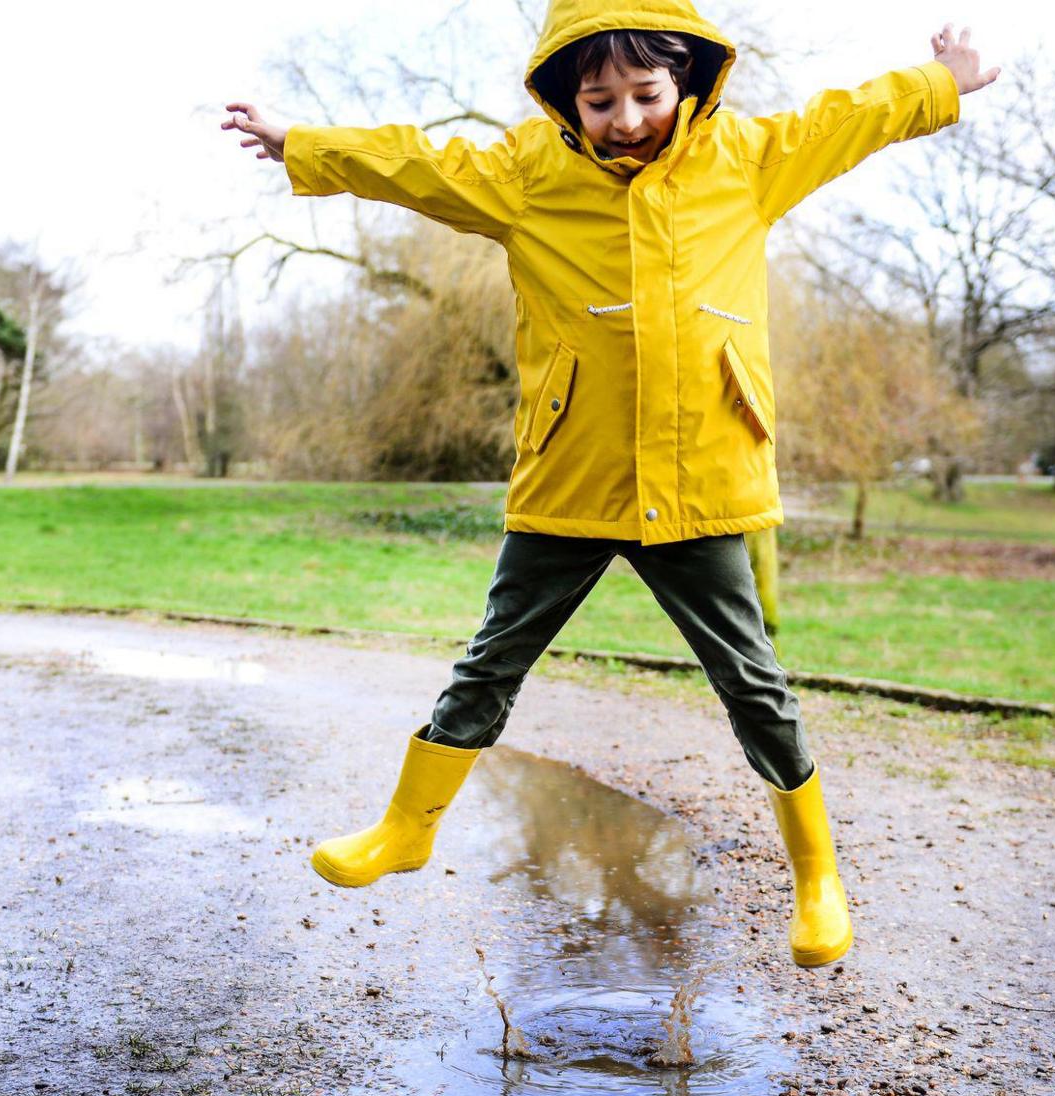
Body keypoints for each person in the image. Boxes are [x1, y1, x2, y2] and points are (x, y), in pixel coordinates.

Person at [222, 1, 998, 968]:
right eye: (600, 101)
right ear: (565, 99)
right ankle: (406, 827)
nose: (627, 120)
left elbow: (846, 118)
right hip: (572, 479)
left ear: (688, 84)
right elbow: (419, 164)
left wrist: (939, 84)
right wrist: (306, 141)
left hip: (703, 479)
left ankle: (817, 877)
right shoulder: (524, 177)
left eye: (646, 94)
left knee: (753, 682)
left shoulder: (747, 159)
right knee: (490, 662)